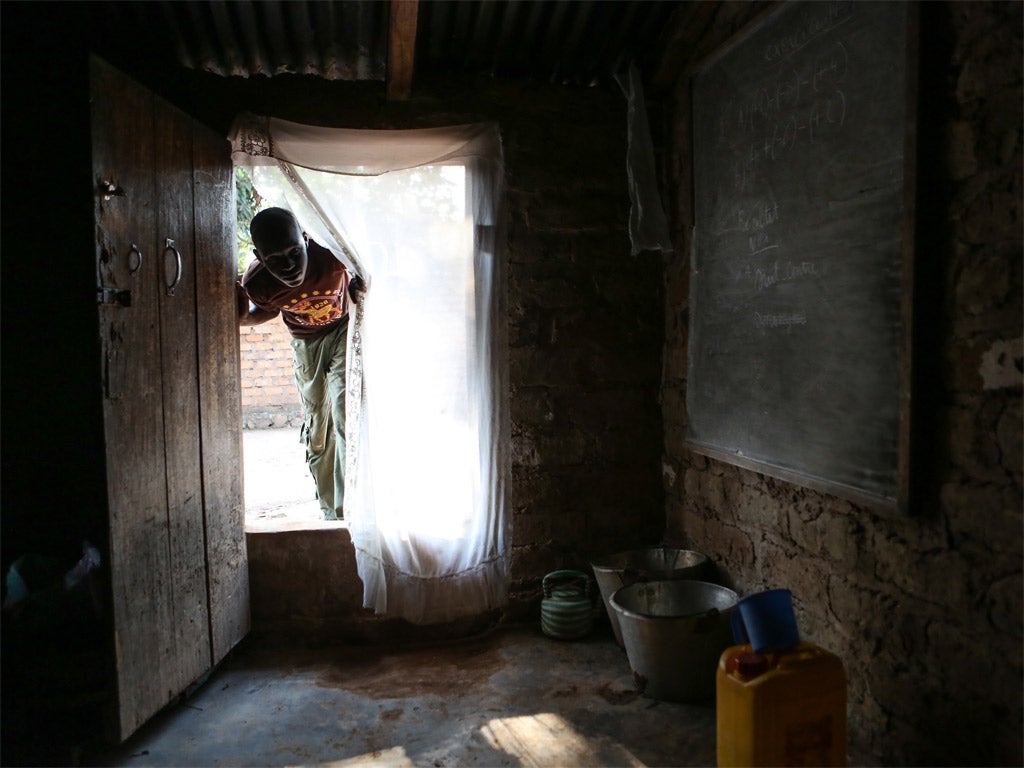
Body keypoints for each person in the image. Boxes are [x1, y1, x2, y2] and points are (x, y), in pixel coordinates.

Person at [236, 207, 364, 520]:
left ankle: (354, 508)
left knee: (347, 413)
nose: (289, 266)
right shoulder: (258, 283)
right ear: (259, 256)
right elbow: (265, 311)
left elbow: (367, 265)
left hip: (341, 331)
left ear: (305, 239)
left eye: (294, 252)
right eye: (275, 259)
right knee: (318, 429)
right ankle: (331, 510)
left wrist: (359, 285)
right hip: (305, 344)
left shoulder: (332, 254)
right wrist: (240, 317)